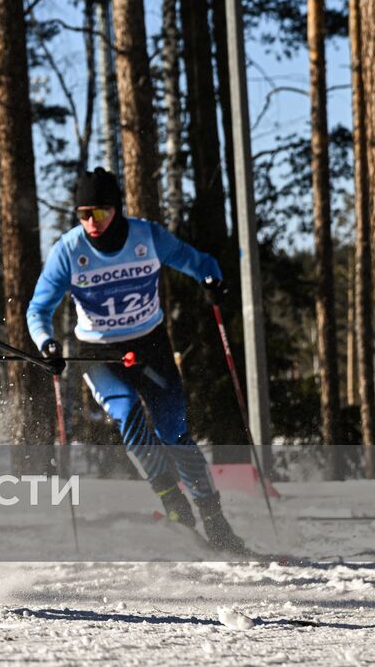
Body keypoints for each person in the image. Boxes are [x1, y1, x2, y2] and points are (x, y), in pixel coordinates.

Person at [26, 167, 246, 553]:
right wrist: (46, 345)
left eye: (99, 213)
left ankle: (215, 519)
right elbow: (38, 309)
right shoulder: (69, 250)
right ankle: (173, 505)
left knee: (173, 431)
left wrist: (212, 279)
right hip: (96, 352)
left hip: (150, 345)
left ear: (117, 209)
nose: (90, 223)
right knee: (127, 414)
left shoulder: (147, 236)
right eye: (83, 214)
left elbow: (198, 261)